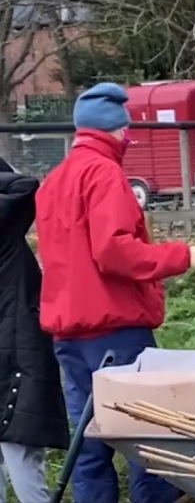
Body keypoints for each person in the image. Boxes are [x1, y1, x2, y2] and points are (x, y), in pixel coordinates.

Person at [34, 82, 195, 503]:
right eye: (127, 130)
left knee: (90, 441)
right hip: (114, 328)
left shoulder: (54, 181)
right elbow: (114, 252)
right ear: (118, 130)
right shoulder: (105, 174)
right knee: (146, 435)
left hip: (69, 333)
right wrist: (184, 256)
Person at [0, 157, 69, 503]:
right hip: (16, 345)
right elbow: (23, 185)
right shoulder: (6, 225)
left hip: (12, 339)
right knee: (21, 450)